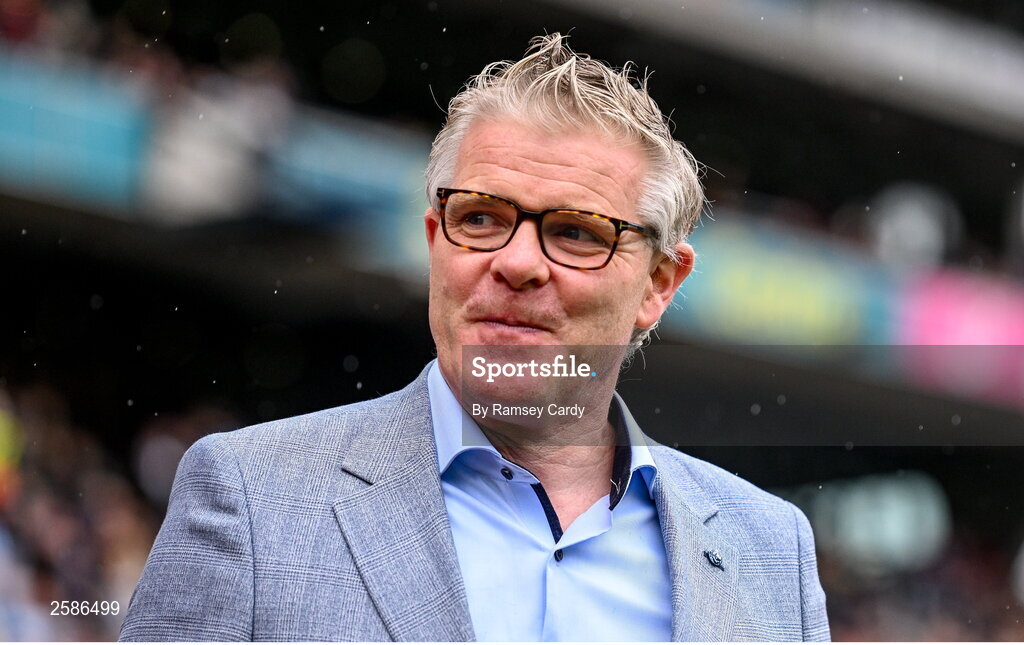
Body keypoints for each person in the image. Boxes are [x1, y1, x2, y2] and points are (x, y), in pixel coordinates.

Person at [120, 34, 830, 642]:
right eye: (483, 218)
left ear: (658, 285)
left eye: (577, 232)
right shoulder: (251, 497)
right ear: (436, 240)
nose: (516, 262)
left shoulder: (773, 553)